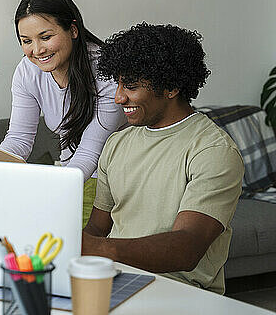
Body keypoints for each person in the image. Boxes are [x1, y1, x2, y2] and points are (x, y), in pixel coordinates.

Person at [84, 22, 244, 294]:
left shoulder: (213, 151)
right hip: (116, 281)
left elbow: (186, 248)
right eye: (119, 84)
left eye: (131, 86)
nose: (118, 97)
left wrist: (97, 249)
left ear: (171, 87)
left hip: (180, 291)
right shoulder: (117, 143)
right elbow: (98, 229)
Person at [0, 0, 126, 220]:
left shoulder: (106, 72)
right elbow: (19, 139)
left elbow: (89, 152)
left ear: (73, 30)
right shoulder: (28, 72)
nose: (37, 50)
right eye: (26, 41)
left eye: (46, 37)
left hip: (116, 184)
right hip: (72, 178)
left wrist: (54, 192)